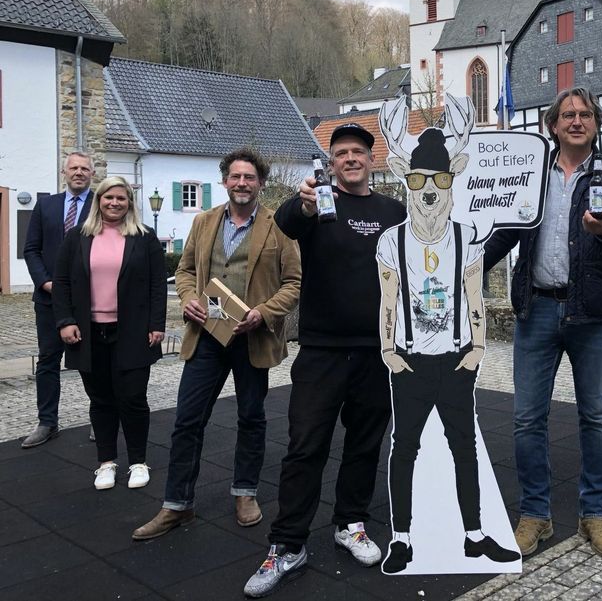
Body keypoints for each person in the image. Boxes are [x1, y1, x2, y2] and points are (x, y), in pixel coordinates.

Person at [243, 124, 406, 598]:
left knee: (365, 441)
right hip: (321, 351)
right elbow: (285, 224)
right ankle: (288, 544)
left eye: (358, 151)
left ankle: (349, 522)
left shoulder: (393, 211)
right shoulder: (315, 207)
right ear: (330, 163)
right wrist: (303, 203)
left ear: (371, 161)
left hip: (379, 349)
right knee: (305, 445)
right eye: (341, 153)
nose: (350, 158)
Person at [484, 86, 602, 559]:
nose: (575, 120)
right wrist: (463, 263)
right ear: (553, 124)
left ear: (595, 123)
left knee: (597, 417)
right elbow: (506, 230)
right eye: (567, 114)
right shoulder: (531, 175)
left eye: (584, 114)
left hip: (592, 314)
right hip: (536, 308)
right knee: (528, 418)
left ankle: (594, 515)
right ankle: (535, 515)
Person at [376, 98, 519, 574]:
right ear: (405, 179)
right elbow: (388, 300)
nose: (429, 190)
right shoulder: (391, 241)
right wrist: (388, 351)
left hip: (457, 359)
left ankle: (475, 536)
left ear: (453, 177)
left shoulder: (467, 237)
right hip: (410, 362)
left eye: (439, 179)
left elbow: (475, 298)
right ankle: (401, 538)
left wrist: (478, 347)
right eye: (418, 180)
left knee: (464, 446)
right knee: (405, 446)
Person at [133, 148, 300, 540]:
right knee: (187, 420)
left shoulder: (279, 227)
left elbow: (293, 283)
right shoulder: (205, 221)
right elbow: (187, 269)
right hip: (207, 336)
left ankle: (245, 492)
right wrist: (189, 298)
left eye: (250, 178)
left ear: (261, 183)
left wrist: (263, 312)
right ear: (224, 181)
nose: (242, 183)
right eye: (235, 177)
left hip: (252, 337)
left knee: (251, 418)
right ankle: (177, 504)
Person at [52, 176, 166, 488]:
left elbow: (158, 284)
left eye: (121, 198)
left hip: (132, 332)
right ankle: (106, 462)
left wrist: (157, 324)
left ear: (130, 202)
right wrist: (65, 321)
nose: (114, 203)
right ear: (98, 200)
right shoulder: (77, 237)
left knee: (132, 398)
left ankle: (138, 461)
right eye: (108, 198)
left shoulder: (145, 237)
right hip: (88, 333)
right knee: (100, 399)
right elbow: (61, 282)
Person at [21, 151, 95, 448]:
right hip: (49, 298)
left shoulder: (101, 206)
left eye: (84, 168)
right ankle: (47, 422)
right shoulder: (46, 205)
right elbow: (31, 249)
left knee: (92, 361)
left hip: (89, 299)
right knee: (48, 360)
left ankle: (99, 418)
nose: (79, 172)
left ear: (92, 173)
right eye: (73, 168)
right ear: (64, 172)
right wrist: (46, 281)